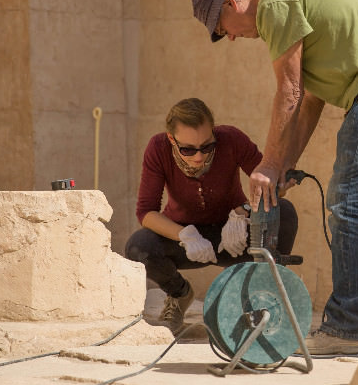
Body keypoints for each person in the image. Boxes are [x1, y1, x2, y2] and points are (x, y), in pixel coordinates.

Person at [190, 0, 358, 356]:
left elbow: (288, 90)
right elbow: (307, 99)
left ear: (230, 4)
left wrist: (268, 164)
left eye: (223, 29)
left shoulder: (273, 3)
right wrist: (284, 163)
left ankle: (347, 328)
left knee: (350, 204)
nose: (232, 38)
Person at [124, 97, 298, 334]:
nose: (199, 157)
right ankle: (179, 295)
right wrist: (185, 235)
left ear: (214, 133)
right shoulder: (158, 148)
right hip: (187, 241)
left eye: (207, 147)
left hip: (235, 236)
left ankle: (259, 295)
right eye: (187, 149)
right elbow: (146, 212)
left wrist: (243, 212)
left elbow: (272, 183)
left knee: (284, 212)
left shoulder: (231, 139)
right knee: (138, 247)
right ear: (172, 139)